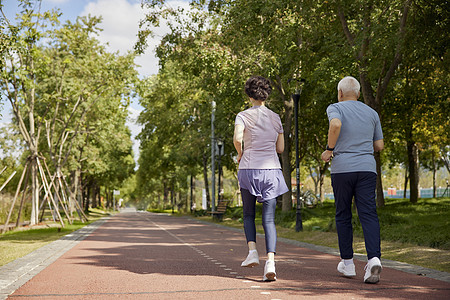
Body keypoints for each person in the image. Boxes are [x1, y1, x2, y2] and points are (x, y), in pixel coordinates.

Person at [321, 76, 384, 284]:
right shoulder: (372, 113)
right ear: (357, 93)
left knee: (343, 214)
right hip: (367, 169)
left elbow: (336, 124)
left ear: (340, 93)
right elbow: (379, 145)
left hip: (343, 169)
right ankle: (373, 258)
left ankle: (348, 263)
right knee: (368, 214)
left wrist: (329, 149)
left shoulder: (335, 108)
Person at [233, 76, 289, 281]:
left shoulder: (242, 116)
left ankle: (252, 252)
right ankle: (271, 262)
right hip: (272, 170)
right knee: (269, 219)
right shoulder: (276, 118)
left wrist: (240, 153)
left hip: (249, 168)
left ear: (249, 94)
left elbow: (238, 138)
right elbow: (281, 148)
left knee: (248, 214)